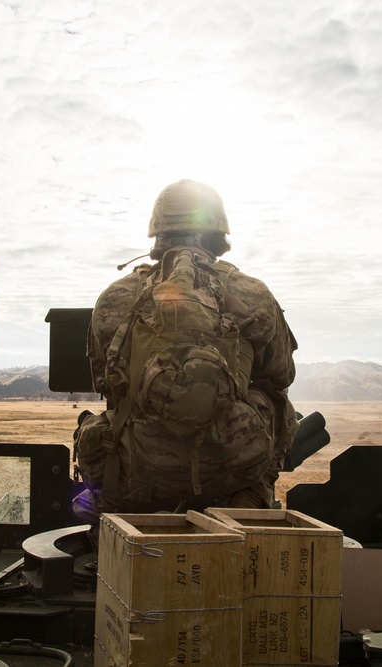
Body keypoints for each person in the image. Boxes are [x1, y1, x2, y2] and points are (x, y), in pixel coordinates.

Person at [73, 179, 299, 523]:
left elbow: (106, 383)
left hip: (137, 472)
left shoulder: (116, 297)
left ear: (157, 234)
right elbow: (282, 373)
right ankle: (253, 493)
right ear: (217, 234)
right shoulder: (251, 292)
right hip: (231, 465)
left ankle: (116, 503)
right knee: (280, 403)